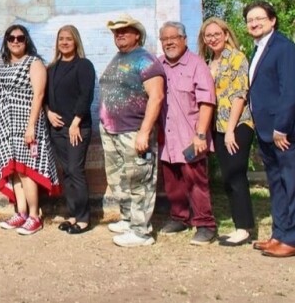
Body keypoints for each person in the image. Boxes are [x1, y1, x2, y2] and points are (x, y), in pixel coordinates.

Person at [243, 0, 295, 258]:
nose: (254, 23)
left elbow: (291, 91)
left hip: (286, 132)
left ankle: (293, 239)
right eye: (250, 19)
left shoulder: (284, 48)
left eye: (259, 18)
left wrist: (281, 128)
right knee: (277, 184)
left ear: (272, 20)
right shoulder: (259, 49)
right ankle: (279, 234)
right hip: (266, 132)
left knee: (292, 184)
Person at [100, 14, 165, 248]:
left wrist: (144, 132)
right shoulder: (118, 58)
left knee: (140, 180)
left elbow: (156, 97)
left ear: (137, 34)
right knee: (119, 180)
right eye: (116, 32)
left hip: (133, 131)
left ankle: (141, 231)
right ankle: (128, 219)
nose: (119, 35)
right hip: (111, 131)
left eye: (125, 30)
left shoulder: (146, 61)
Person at [0, 25, 58, 235]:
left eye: (20, 38)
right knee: (13, 170)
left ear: (26, 40)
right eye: (11, 38)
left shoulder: (34, 63)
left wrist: (31, 126)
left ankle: (35, 215)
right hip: (3, 122)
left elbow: (39, 95)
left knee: (28, 170)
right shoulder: (1, 63)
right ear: (6, 41)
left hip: (25, 121)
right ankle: (21, 212)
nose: (16, 41)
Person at [157, 22, 218, 246]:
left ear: (184, 39)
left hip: (190, 136)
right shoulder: (158, 65)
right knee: (173, 182)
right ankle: (179, 217)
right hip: (167, 137)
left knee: (196, 182)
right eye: (165, 39)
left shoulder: (196, 65)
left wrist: (201, 134)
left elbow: (207, 101)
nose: (169, 42)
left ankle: (205, 225)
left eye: (174, 37)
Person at [197, 17, 255, 247]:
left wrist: (231, 130)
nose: (212, 38)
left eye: (216, 34)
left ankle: (244, 228)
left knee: (236, 175)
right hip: (218, 127)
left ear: (226, 33)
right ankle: (239, 224)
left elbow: (239, 95)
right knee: (228, 177)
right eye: (207, 35)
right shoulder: (211, 60)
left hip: (237, 125)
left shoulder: (236, 57)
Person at [45, 25, 96, 234]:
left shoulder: (83, 65)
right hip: (56, 129)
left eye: (68, 39)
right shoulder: (52, 68)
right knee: (66, 172)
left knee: (75, 170)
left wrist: (76, 122)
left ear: (76, 41)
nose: (64, 42)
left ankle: (84, 218)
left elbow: (86, 95)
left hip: (77, 128)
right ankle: (73, 214)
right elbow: (45, 97)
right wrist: (48, 112)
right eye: (61, 39)